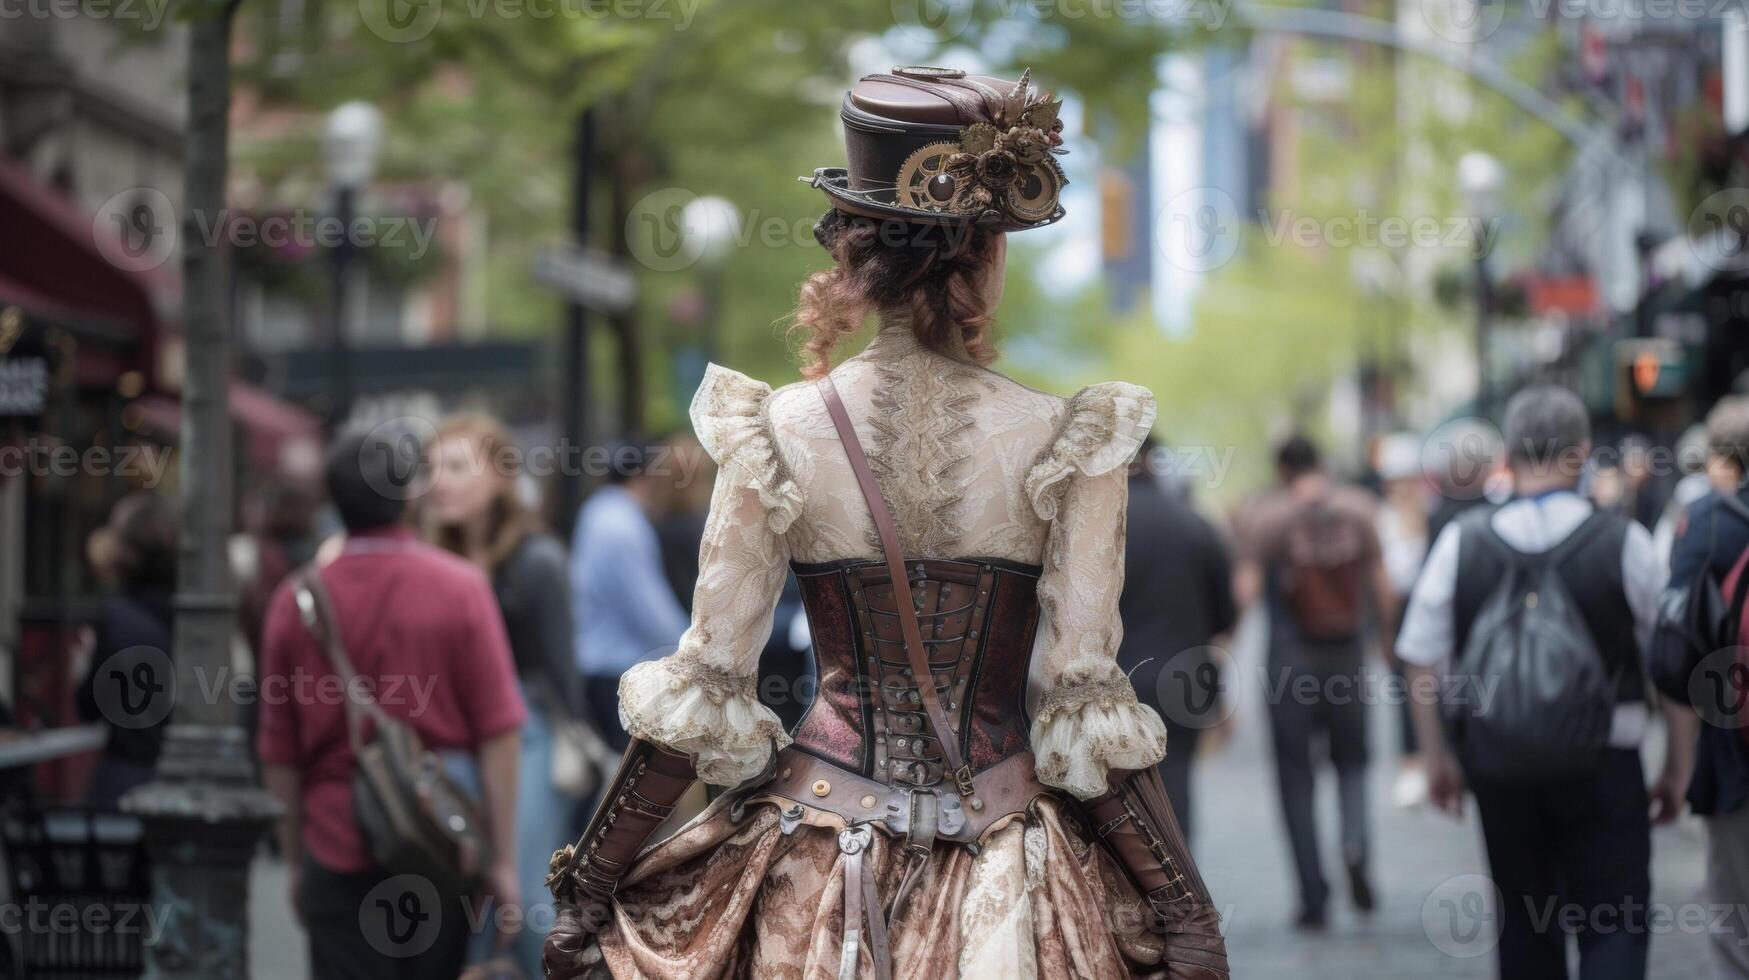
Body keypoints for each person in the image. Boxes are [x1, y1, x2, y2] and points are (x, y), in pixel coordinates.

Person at [540, 68, 1227, 980]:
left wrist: (589, 890)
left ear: (854, 253)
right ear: (984, 255)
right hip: (1004, 877)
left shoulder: (777, 427)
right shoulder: (1067, 437)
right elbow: (1082, 699)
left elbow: (706, 680)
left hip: (816, 860)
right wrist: (1185, 914)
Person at [1399, 385, 1693, 980]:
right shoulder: (1624, 542)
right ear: (1582, 453)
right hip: (1606, 764)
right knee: (1614, 921)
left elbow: (1420, 658)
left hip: (1501, 768)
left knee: (1526, 927)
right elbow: (1671, 659)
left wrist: (1437, 759)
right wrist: (1677, 766)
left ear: (1507, 453)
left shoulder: (1463, 540)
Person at [257, 425, 527, 980]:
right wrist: (502, 859)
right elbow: (499, 733)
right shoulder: (462, 587)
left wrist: (292, 862)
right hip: (439, 845)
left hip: (335, 844)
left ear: (331, 500)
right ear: (410, 494)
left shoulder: (294, 602)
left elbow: (279, 754)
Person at [424, 413, 587, 975]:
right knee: (465, 897)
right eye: (433, 468)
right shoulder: (432, 559)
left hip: (528, 737)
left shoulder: (537, 560)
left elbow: (564, 678)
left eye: (455, 466)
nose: (439, 481)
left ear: (498, 474)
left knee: (520, 896)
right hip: (452, 744)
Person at [1235, 434, 1394, 930]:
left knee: (1295, 779)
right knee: (1352, 763)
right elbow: (1384, 587)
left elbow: (1245, 591)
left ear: (1282, 470)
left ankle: (1313, 897)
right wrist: (1387, 642)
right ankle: (1354, 842)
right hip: (1346, 657)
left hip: (1289, 663)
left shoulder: (1266, 516)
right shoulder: (1360, 507)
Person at [1118, 435, 1237, 841]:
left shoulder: (1099, 530)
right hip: (1184, 684)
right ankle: (1180, 895)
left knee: (1113, 798)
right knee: (1177, 786)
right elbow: (1225, 618)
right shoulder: (1196, 524)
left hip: (1116, 683)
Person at [1667, 395, 1749, 978]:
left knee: (1734, 919)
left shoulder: (1708, 524)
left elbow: (1671, 648)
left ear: (1722, 458)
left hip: (1735, 747)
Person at [569, 437, 688, 750]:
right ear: (643, 476)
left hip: (603, 669)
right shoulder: (621, 526)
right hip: (618, 675)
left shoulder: (598, 511)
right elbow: (650, 611)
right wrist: (694, 651)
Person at [76, 491, 177, 807]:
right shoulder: (189, 615)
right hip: (176, 777)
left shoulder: (117, 618)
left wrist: (83, 665)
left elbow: (88, 706)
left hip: (125, 780)